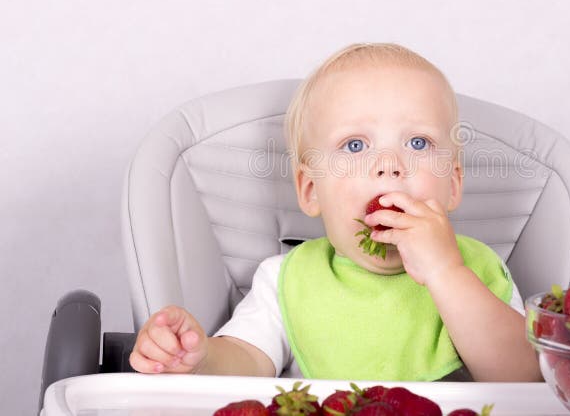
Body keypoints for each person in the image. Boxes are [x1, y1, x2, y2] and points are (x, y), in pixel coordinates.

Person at [129, 43, 541, 382]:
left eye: (417, 143)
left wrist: (446, 272)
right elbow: (245, 360)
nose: (389, 164)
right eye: (355, 146)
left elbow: (525, 381)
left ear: (452, 184)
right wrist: (199, 359)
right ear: (311, 191)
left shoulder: (478, 271)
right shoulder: (286, 281)